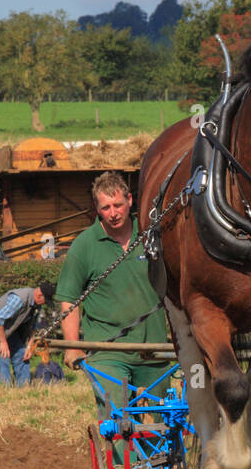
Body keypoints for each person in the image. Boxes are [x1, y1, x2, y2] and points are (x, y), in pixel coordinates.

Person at [55, 172, 167, 437]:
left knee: (166, 419)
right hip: (107, 351)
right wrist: (72, 346)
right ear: (97, 209)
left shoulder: (153, 235)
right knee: (117, 421)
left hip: (155, 347)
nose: (113, 213)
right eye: (106, 207)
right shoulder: (85, 245)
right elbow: (69, 298)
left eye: (118, 205)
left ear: (130, 200)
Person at [0, 281, 56, 387]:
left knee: (22, 354)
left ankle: (23, 387)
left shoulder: (37, 305)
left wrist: (29, 347)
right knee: (3, 354)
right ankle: (4, 389)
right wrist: (2, 342)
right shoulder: (19, 299)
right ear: (39, 295)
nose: (44, 303)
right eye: (45, 300)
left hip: (9, 328)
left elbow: (33, 327)